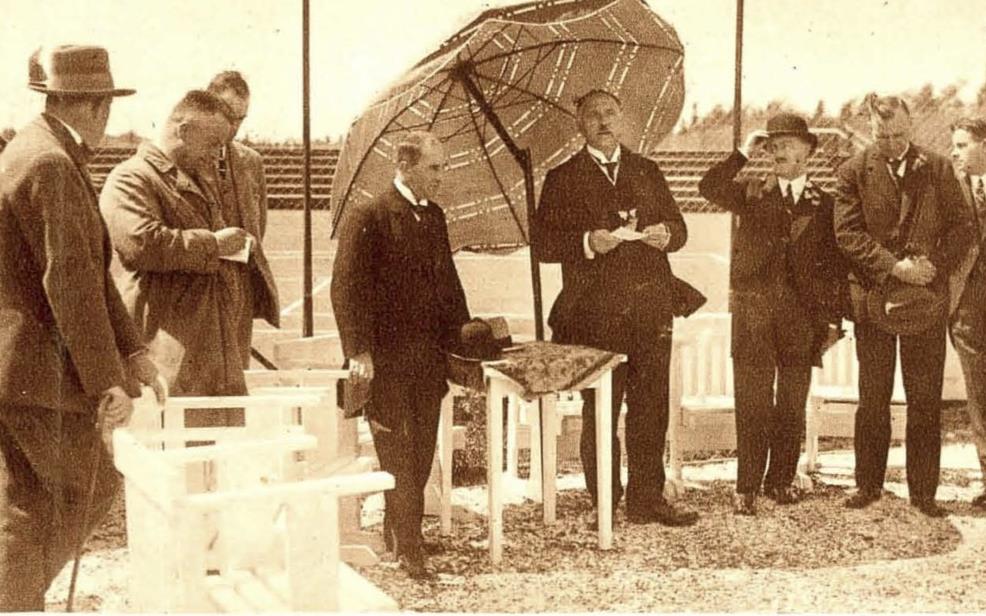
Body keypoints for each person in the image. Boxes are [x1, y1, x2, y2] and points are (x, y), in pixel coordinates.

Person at [0, 44, 163, 610]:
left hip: (20, 370)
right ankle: (14, 601)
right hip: (40, 373)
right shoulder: (50, 164)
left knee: (34, 502)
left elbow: (88, 277)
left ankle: (19, 600)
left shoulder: (34, 151)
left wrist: (134, 352)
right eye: (106, 106)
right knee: (78, 490)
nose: (108, 120)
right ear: (92, 106)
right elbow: (69, 285)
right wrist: (106, 382)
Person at [533, 89, 698, 527]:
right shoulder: (562, 178)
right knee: (600, 408)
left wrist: (667, 233)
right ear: (579, 125)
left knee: (651, 407)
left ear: (622, 118)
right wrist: (588, 242)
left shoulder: (648, 169)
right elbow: (545, 245)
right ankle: (603, 499)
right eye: (593, 115)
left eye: (610, 113)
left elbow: (680, 228)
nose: (603, 121)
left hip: (650, 308)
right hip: (596, 314)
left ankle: (648, 500)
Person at [331, 131, 471, 579]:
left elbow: (448, 284)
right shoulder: (369, 214)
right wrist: (358, 351)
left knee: (423, 448)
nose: (441, 176)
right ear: (405, 165)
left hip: (428, 359)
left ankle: (401, 531)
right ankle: (409, 547)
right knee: (397, 452)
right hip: (386, 361)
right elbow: (346, 288)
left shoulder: (435, 218)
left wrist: (464, 338)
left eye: (443, 167)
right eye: (435, 168)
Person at [699, 113, 849, 515]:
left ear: (807, 151)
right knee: (752, 400)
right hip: (753, 315)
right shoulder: (751, 191)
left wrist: (834, 321)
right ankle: (746, 486)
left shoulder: (825, 203)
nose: (779, 152)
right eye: (773, 146)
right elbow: (708, 186)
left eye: (787, 145)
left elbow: (835, 267)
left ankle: (780, 481)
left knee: (791, 402)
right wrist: (743, 152)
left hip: (802, 318)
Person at [834, 94, 974, 516]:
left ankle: (924, 494)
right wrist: (896, 267)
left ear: (911, 127)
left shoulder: (938, 168)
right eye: (883, 135)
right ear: (871, 130)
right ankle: (868, 486)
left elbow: (962, 227)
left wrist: (933, 266)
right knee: (872, 397)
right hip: (874, 298)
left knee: (924, 399)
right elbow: (847, 235)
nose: (893, 143)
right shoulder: (854, 171)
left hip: (925, 301)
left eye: (899, 134)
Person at [100, 90, 252, 398]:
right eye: (212, 144)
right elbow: (140, 243)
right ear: (183, 131)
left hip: (214, 348)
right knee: (175, 440)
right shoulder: (131, 177)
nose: (216, 154)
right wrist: (213, 244)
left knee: (223, 441)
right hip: (166, 350)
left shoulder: (198, 178)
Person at [205, 71, 279, 367]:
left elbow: (258, 225)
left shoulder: (252, 162)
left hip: (241, 290)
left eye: (241, 119)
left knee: (238, 384)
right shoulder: (187, 158)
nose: (234, 127)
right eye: (228, 116)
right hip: (204, 291)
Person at [948, 117, 986, 508]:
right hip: (969, 307)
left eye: (962, 145)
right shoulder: (950, 189)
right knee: (979, 393)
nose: (955, 153)